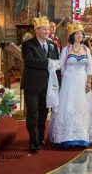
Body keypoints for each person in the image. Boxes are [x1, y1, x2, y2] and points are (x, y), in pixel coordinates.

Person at [21, 15, 59, 152]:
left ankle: (41, 138)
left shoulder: (53, 45)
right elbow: (30, 61)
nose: (47, 31)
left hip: (48, 85)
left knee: (43, 113)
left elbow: (56, 62)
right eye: (43, 29)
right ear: (36, 30)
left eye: (48, 29)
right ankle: (33, 141)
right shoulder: (28, 45)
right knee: (33, 113)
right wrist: (49, 63)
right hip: (32, 85)